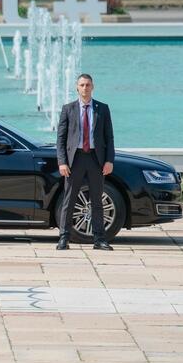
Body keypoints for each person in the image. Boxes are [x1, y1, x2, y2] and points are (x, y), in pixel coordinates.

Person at [57, 73, 115, 251]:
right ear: (77, 87)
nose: (85, 88)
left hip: (96, 160)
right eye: (82, 85)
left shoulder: (102, 109)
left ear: (93, 87)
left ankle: (99, 239)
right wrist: (62, 162)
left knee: (97, 200)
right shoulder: (68, 109)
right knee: (69, 200)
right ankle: (64, 238)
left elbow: (109, 137)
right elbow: (61, 139)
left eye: (88, 85)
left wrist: (109, 160)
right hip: (75, 160)